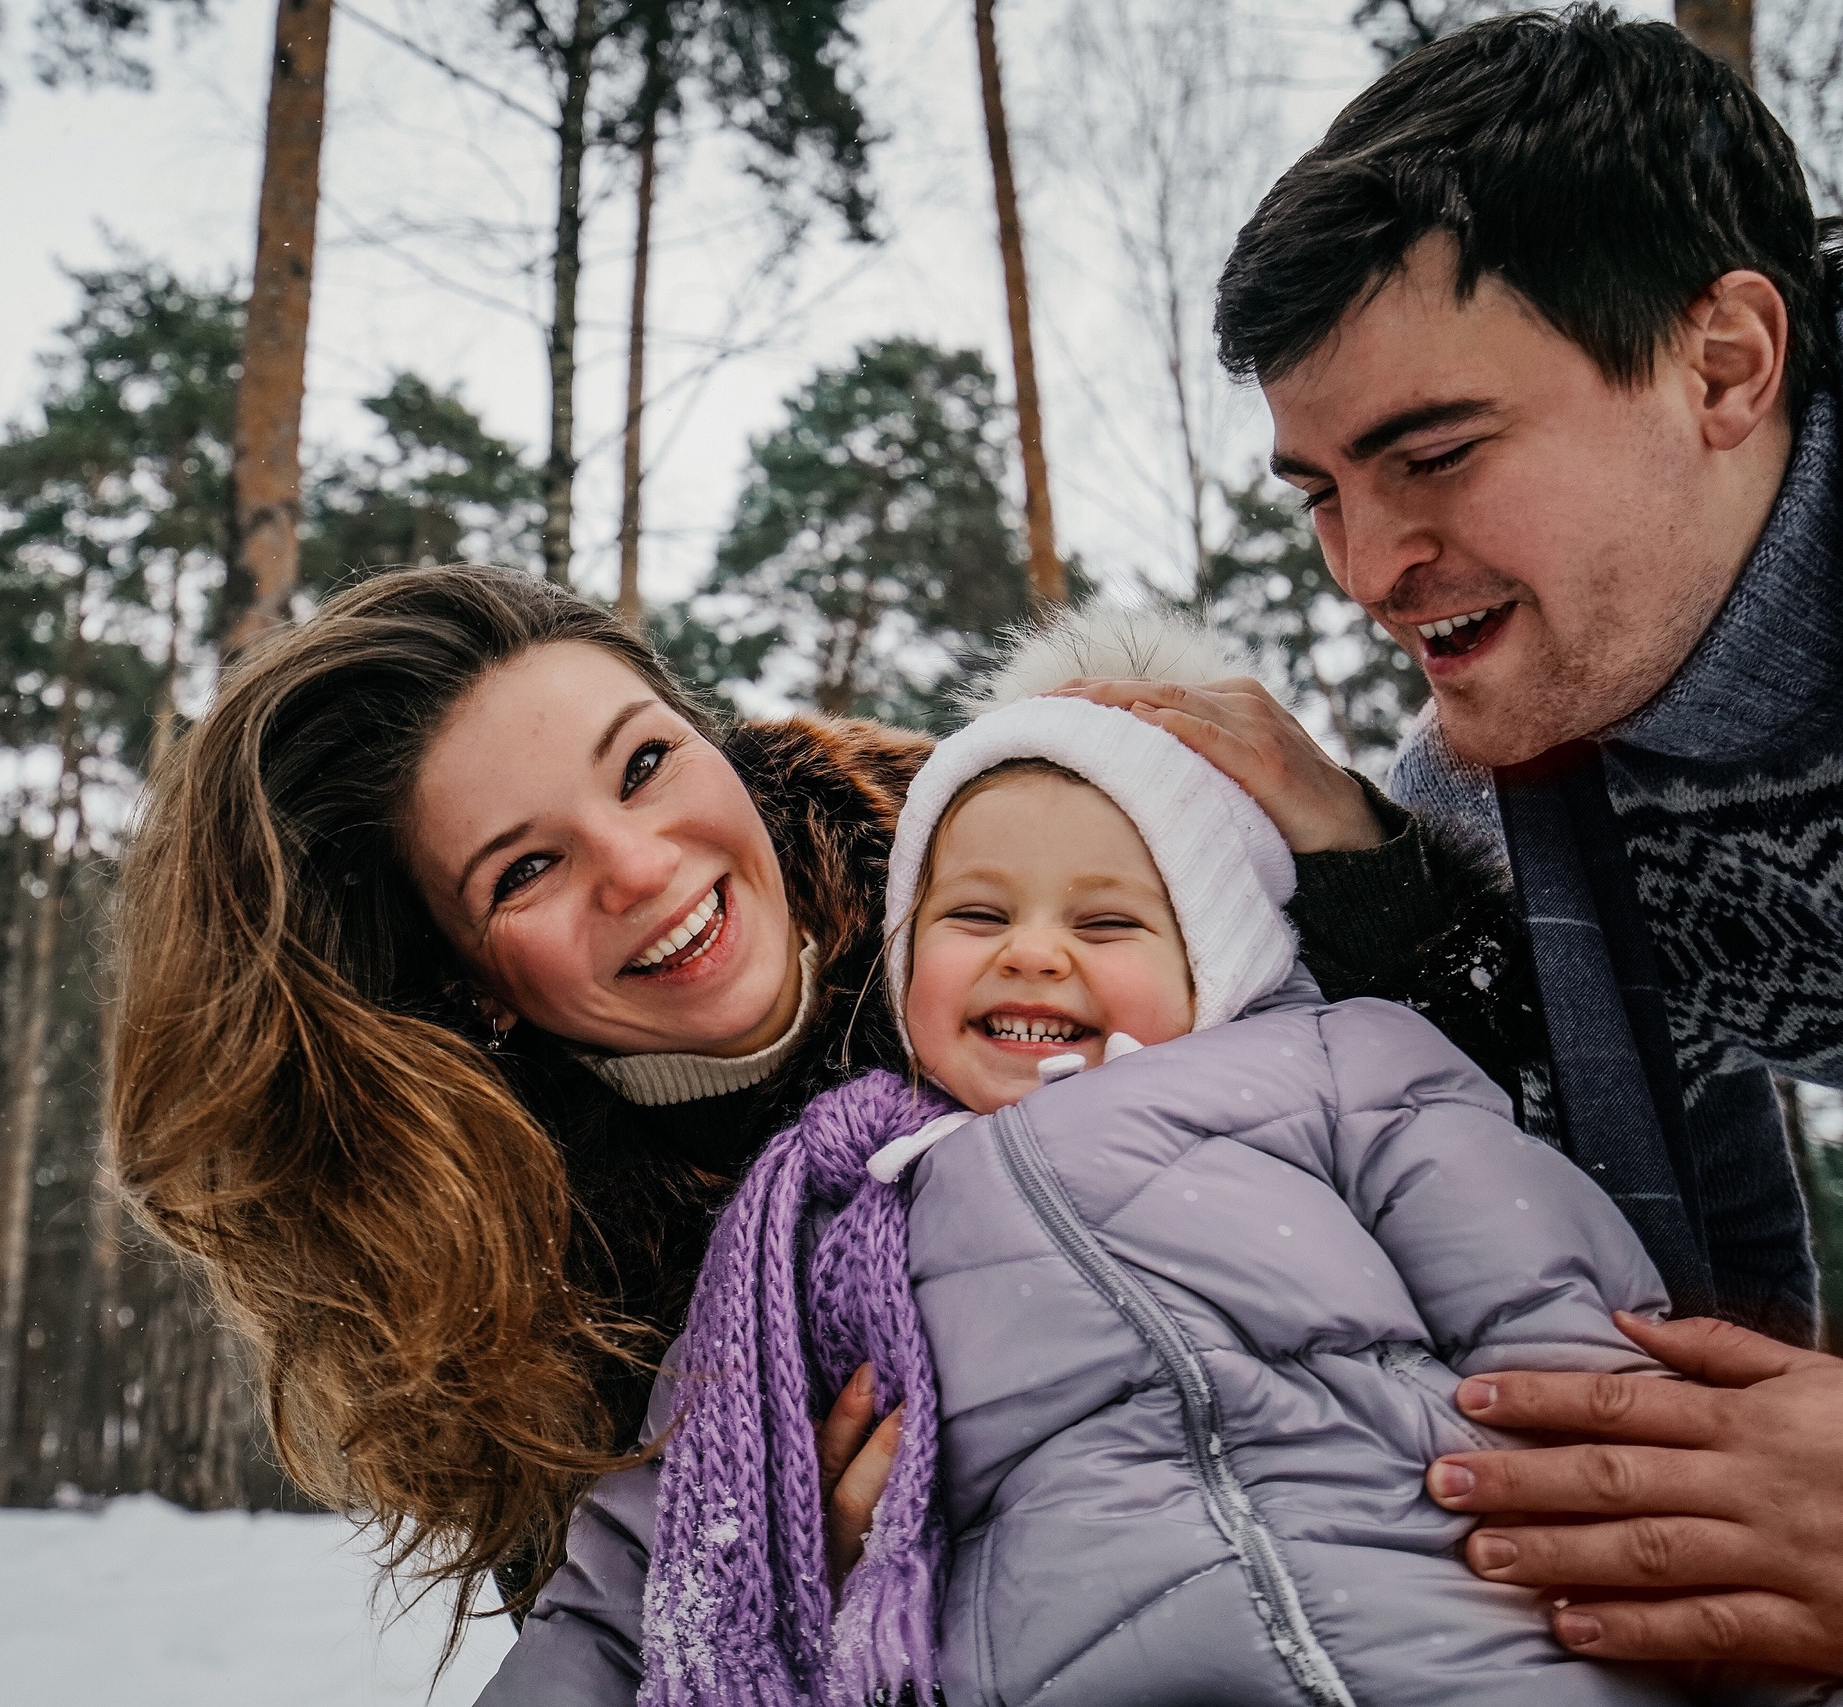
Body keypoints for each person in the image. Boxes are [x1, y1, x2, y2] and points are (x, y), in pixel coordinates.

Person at [105, 566, 1518, 1640]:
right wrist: (790, 1609)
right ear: (467, 982)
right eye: (524, 870)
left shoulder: (1041, 860)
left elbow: (1510, 1144)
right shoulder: (538, 1293)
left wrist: (1363, 874)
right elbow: (613, 1646)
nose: (646, 868)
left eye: (647, 762)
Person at [482, 614, 1801, 1707]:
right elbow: (641, 1569)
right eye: (977, 914)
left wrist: (1718, 1621)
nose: (1034, 952)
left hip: (1462, 1644)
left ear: (1212, 955)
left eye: (1106, 919)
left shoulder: (1349, 1071)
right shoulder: (830, 1217)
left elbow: (1549, 1314)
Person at [1061, 6, 1843, 1677]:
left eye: (1434, 454)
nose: (1367, 564)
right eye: (1322, 489)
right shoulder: (1510, 796)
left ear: (1724, 364)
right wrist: (1370, 885)